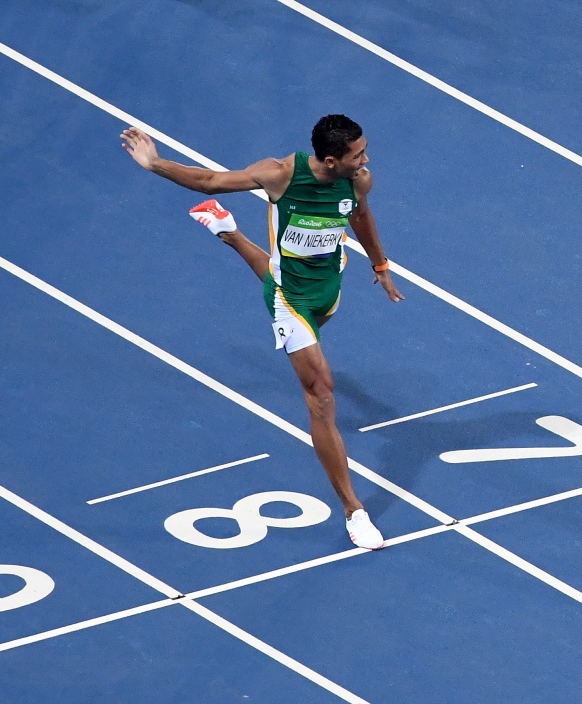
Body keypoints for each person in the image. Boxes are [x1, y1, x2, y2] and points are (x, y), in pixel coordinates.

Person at [121, 115, 403, 550]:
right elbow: (210, 180)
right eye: (358, 154)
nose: (366, 160)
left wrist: (380, 265)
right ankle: (354, 510)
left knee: (283, 286)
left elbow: (361, 216)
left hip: (327, 285)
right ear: (330, 160)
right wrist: (155, 164)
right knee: (322, 394)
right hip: (291, 298)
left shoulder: (358, 181)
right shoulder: (279, 175)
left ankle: (229, 233)